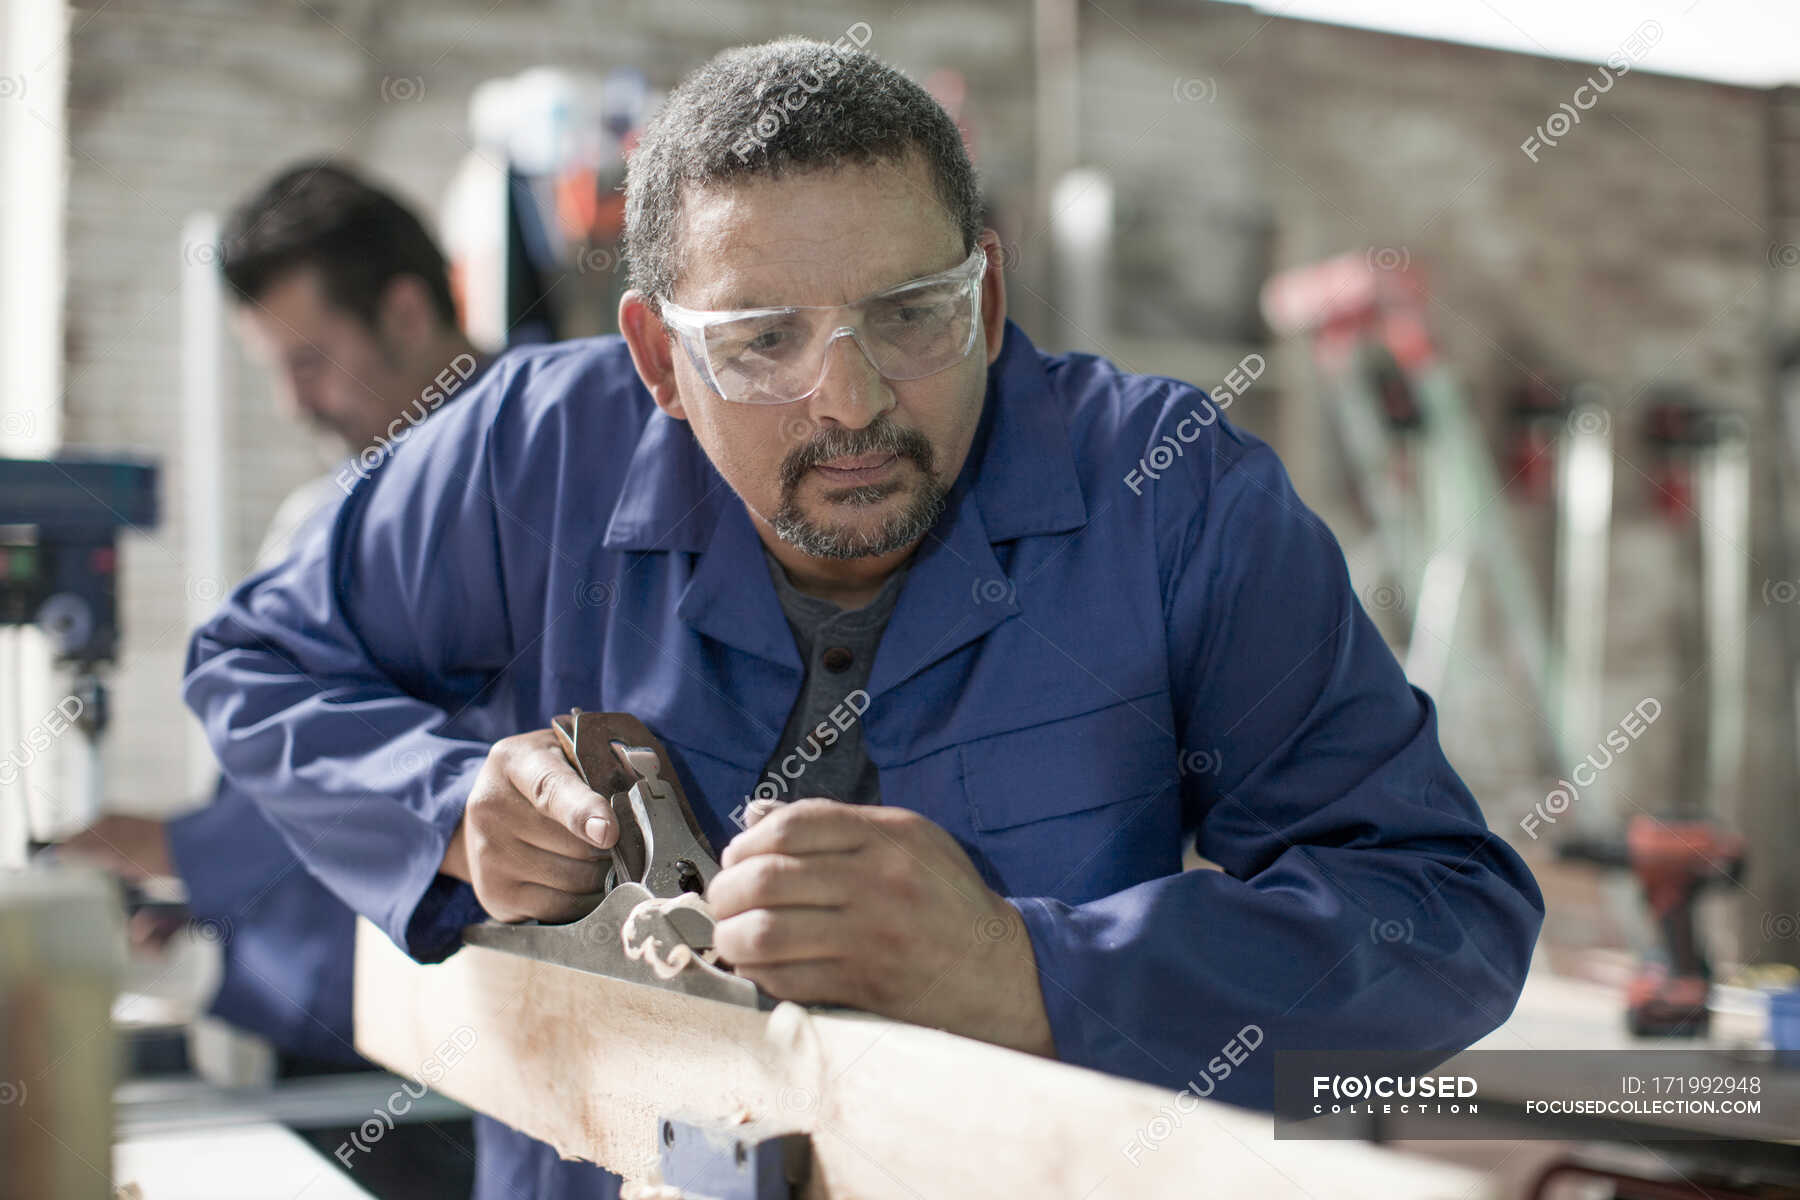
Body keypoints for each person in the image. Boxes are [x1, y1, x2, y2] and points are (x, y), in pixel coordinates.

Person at [183, 41, 1543, 1199]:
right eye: (762, 340)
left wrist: (1033, 971)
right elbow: (256, 662)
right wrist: (446, 814)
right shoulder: (526, 458)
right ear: (658, 357)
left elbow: (1444, 918)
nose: (849, 401)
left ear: (990, 297)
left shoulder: (1169, 498)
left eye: (910, 316)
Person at [64, 160, 485, 1074]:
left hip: (456, 1038)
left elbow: (432, 762)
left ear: (407, 313)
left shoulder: (521, 479)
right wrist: (194, 885)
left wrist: (181, 848)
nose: (294, 402)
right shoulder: (336, 506)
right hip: (339, 1007)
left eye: (310, 360)